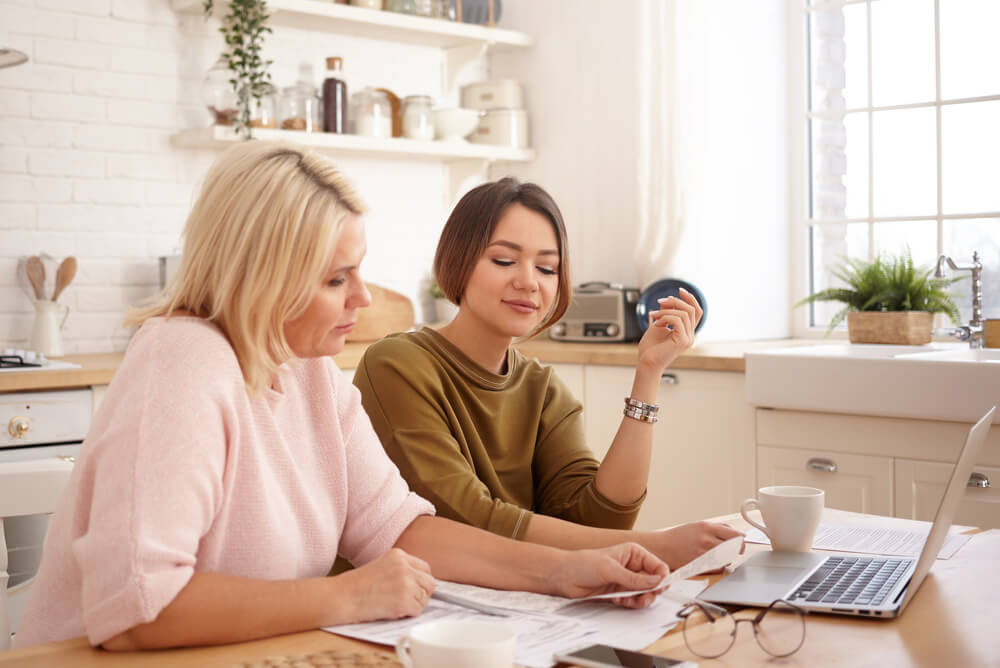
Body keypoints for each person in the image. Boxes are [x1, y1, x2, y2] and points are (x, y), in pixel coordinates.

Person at [13, 143, 670, 651]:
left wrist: (563, 571)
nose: (362, 298)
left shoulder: (309, 374)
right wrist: (348, 598)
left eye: (359, 270)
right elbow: (135, 611)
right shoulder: (183, 360)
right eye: (336, 277)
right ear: (264, 278)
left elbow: (402, 530)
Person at [354, 178, 742, 572]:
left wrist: (649, 371)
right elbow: (468, 518)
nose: (529, 282)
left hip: (515, 598)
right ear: (459, 261)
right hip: (397, 604)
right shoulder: (396, 365)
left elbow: (598, 521)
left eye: (547, 267)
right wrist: (655, 547)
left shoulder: (543, 389)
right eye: (504, 260)